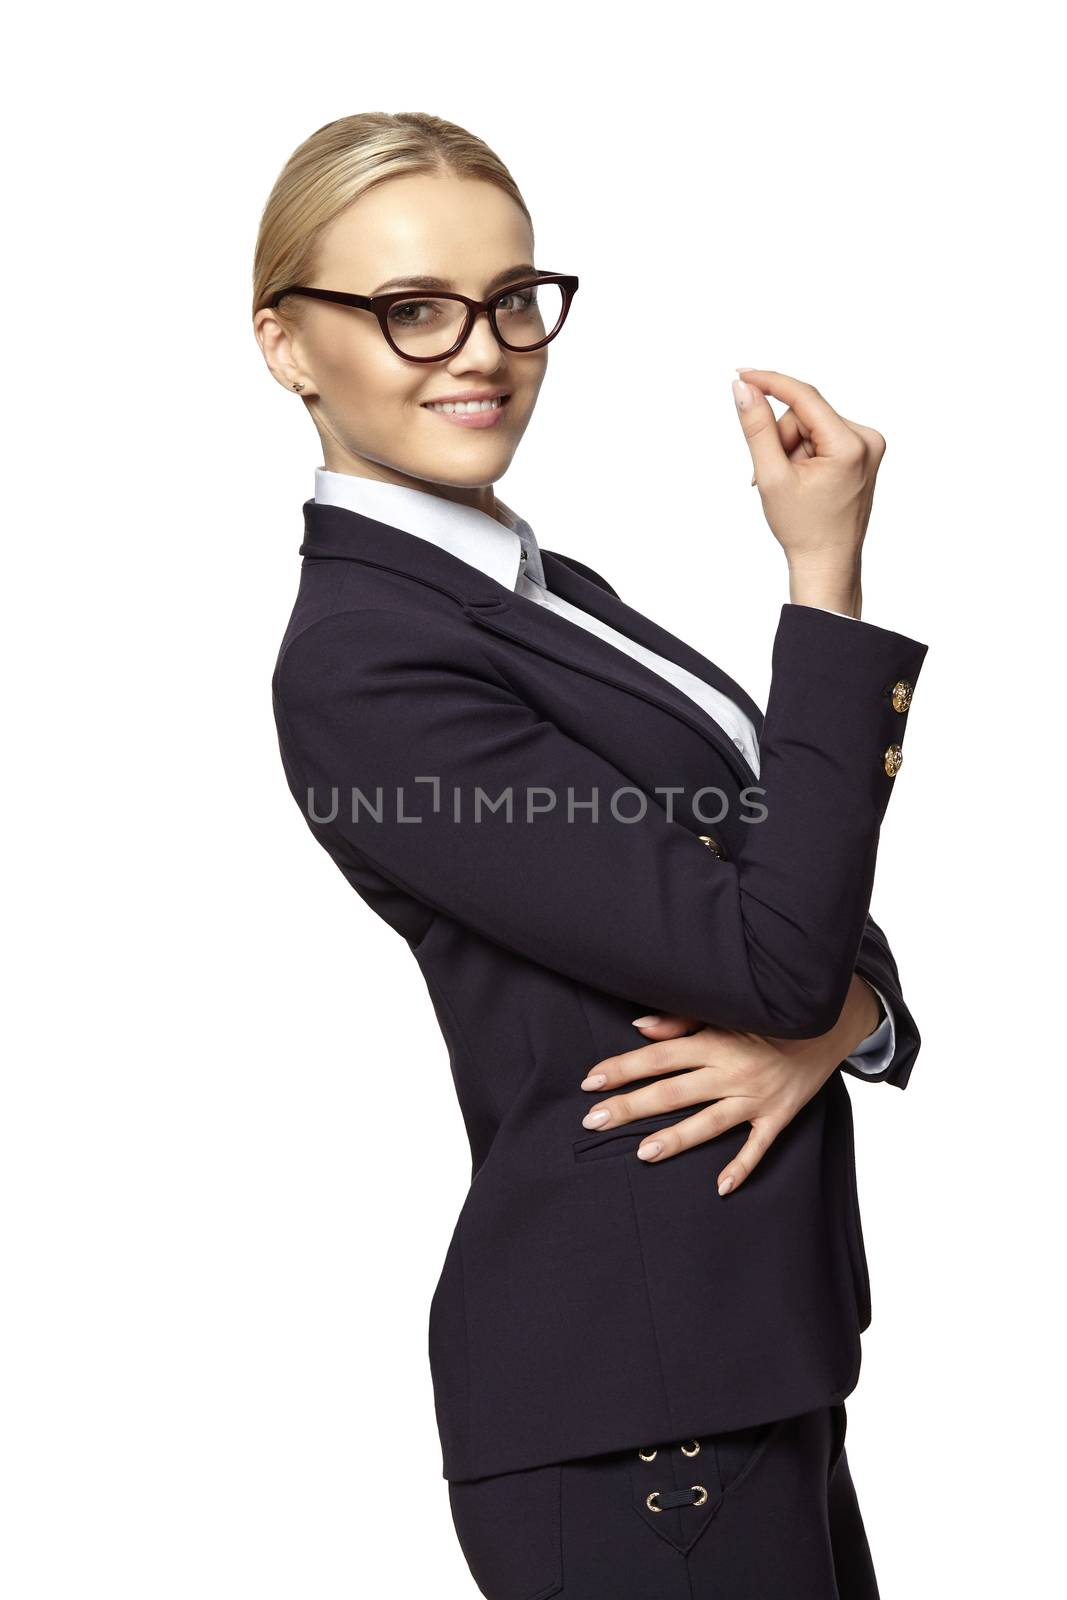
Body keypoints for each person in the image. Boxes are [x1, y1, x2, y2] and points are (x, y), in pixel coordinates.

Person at [253, 110, 927, 1598]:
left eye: (511, 300)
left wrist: (840, 1025)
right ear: (288, 345)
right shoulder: (372, 663)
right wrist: (824, 578)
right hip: (634, 1415)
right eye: (410, 311)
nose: (480, 350)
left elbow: (790, 903)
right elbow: (770, 944)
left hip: (741, 1366)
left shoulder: (540, 597)